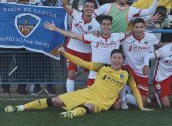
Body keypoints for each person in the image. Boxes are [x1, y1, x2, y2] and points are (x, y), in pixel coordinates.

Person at [5, 48, 152, 117]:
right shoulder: (102, 66)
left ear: (123, 60)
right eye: (114, 57)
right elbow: (81, 62)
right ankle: (21, 107)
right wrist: (65, 53)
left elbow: (135, 89)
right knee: (56, 100)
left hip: (103, 101)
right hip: (88, 92)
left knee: (90, 107)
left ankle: (72, 114)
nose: (117, 60)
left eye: (119, 58)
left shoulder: (126, 74)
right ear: (111, 59)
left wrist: (141, 107)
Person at [44, 15, 130, 86]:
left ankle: (123, 100)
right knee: (91, 102)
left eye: (108, 24)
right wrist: (55, 29)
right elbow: (74, 36)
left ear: (111, 26)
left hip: (111, 74)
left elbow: (133, 31)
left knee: (115, 105)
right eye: (104, 24)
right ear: (100, 26)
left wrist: (143, 28)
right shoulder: (93, 37)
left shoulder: (117, 36)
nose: (106, 26)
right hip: (95, 74)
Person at [60, 0, 100, 92]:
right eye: (87, 6)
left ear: (94, 9)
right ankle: (70, 97)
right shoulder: (76, 14)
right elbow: (64, 5)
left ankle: (88, 96)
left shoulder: (97, 25)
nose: (89, 8)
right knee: (71, 74)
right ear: (83, 7)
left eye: (91, 7)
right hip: (72, 49)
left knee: (88, 76)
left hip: (87, 52)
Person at [135, 33, 172, 108]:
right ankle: (155, 96)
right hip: (161, 78)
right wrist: (146, 65)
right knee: (166, 105)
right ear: (171, 41)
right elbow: (147, 56)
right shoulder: (164, 50)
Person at [121, 18, 160, 106]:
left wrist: (171, 45)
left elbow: (158, 45)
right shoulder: (125, 39)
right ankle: (122, 98)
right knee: (121, 73)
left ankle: (127, 95)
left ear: (145, 27)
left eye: (141, 27)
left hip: (143, 72)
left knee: (143, 103)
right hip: (128, 69)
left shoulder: (151, 37)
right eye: (136, 27)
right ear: (133, 28)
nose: (139, 30)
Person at [93, 0, 159, 33]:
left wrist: (156, 0)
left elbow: (148, 11)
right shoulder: (106, 7)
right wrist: (98, 28)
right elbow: (92, 15)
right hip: (105, 41)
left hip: (120, 41)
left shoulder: (131, 10)